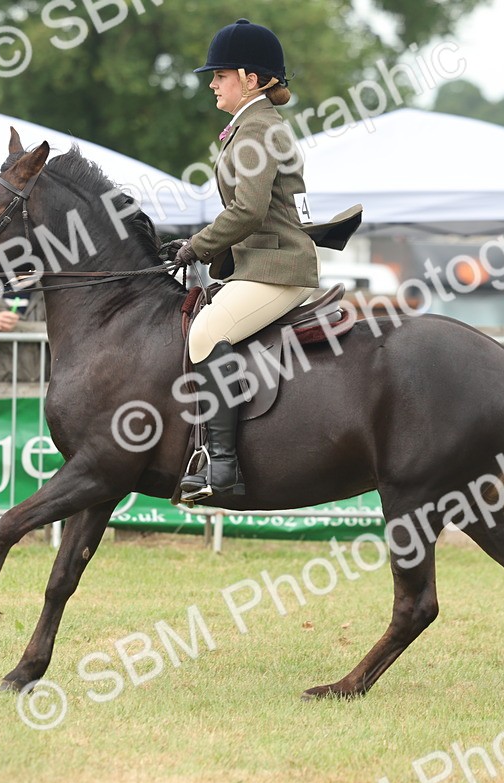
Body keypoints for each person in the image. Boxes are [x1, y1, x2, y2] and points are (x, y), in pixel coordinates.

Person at [165, 19, 320, 503]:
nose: (212, 83)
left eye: (220, 75)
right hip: (260, 264)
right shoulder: (247, 127)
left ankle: (221, 466)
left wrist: (196, 246)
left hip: (278, 268)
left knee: (207, 332)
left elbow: (249, 211)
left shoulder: (257, 129)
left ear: (250, 79)